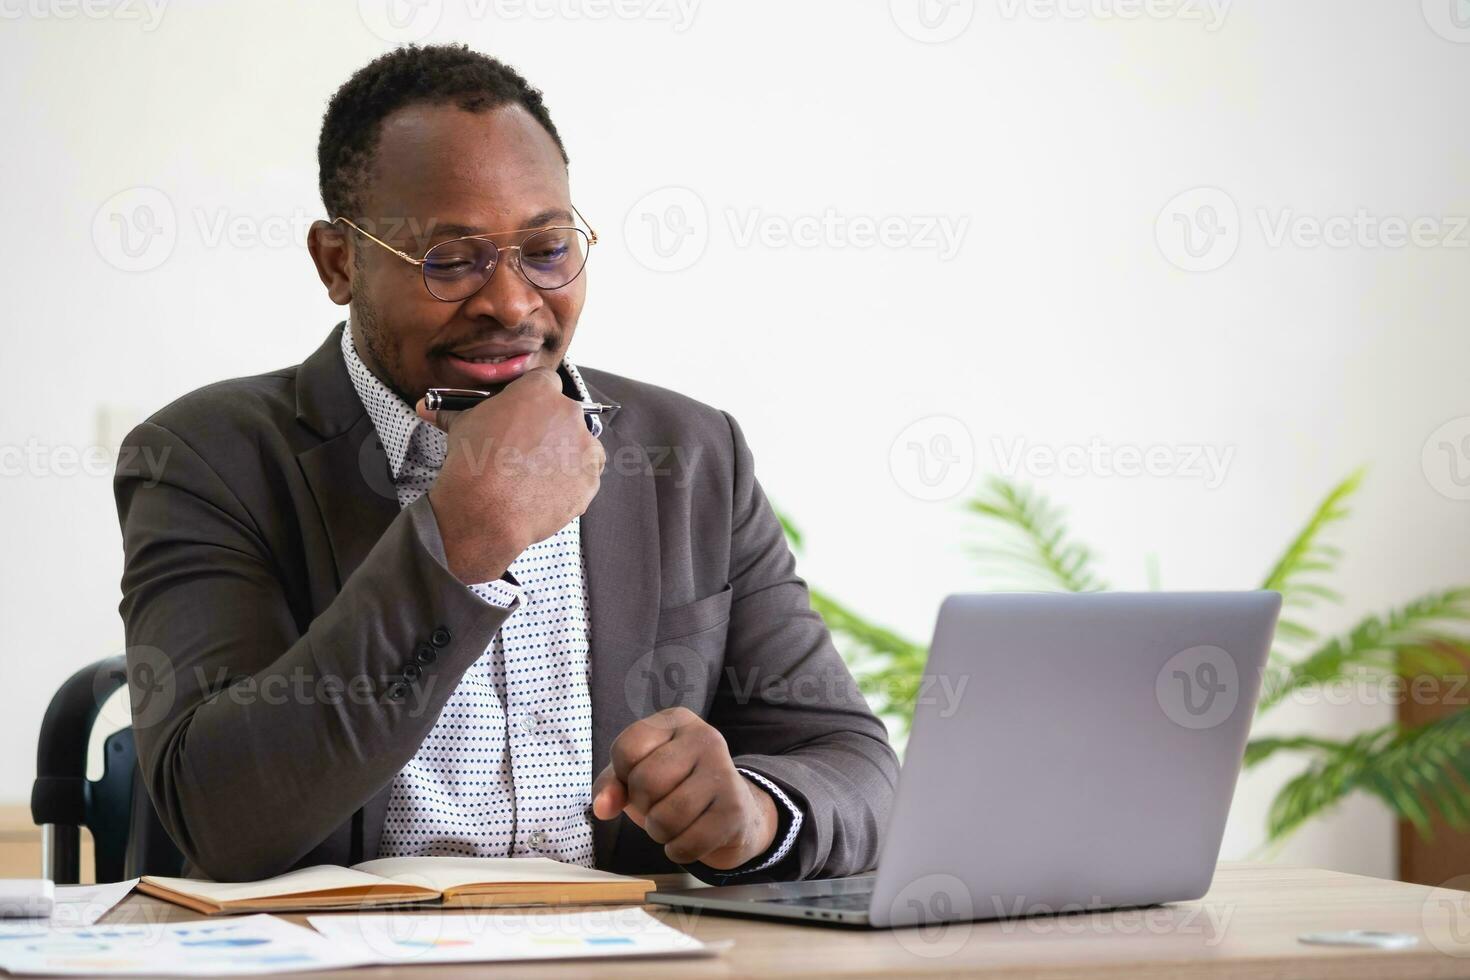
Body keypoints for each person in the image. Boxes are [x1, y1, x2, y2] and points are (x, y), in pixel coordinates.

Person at [115, 43, 897, 884]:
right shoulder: (208, 458)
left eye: (548, 249)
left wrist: (753, 812)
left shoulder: (692, 454)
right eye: (449, 261)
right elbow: (222, 816)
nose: (512, 302)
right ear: (339, 262)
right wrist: (464, 538)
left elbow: (850, 761)